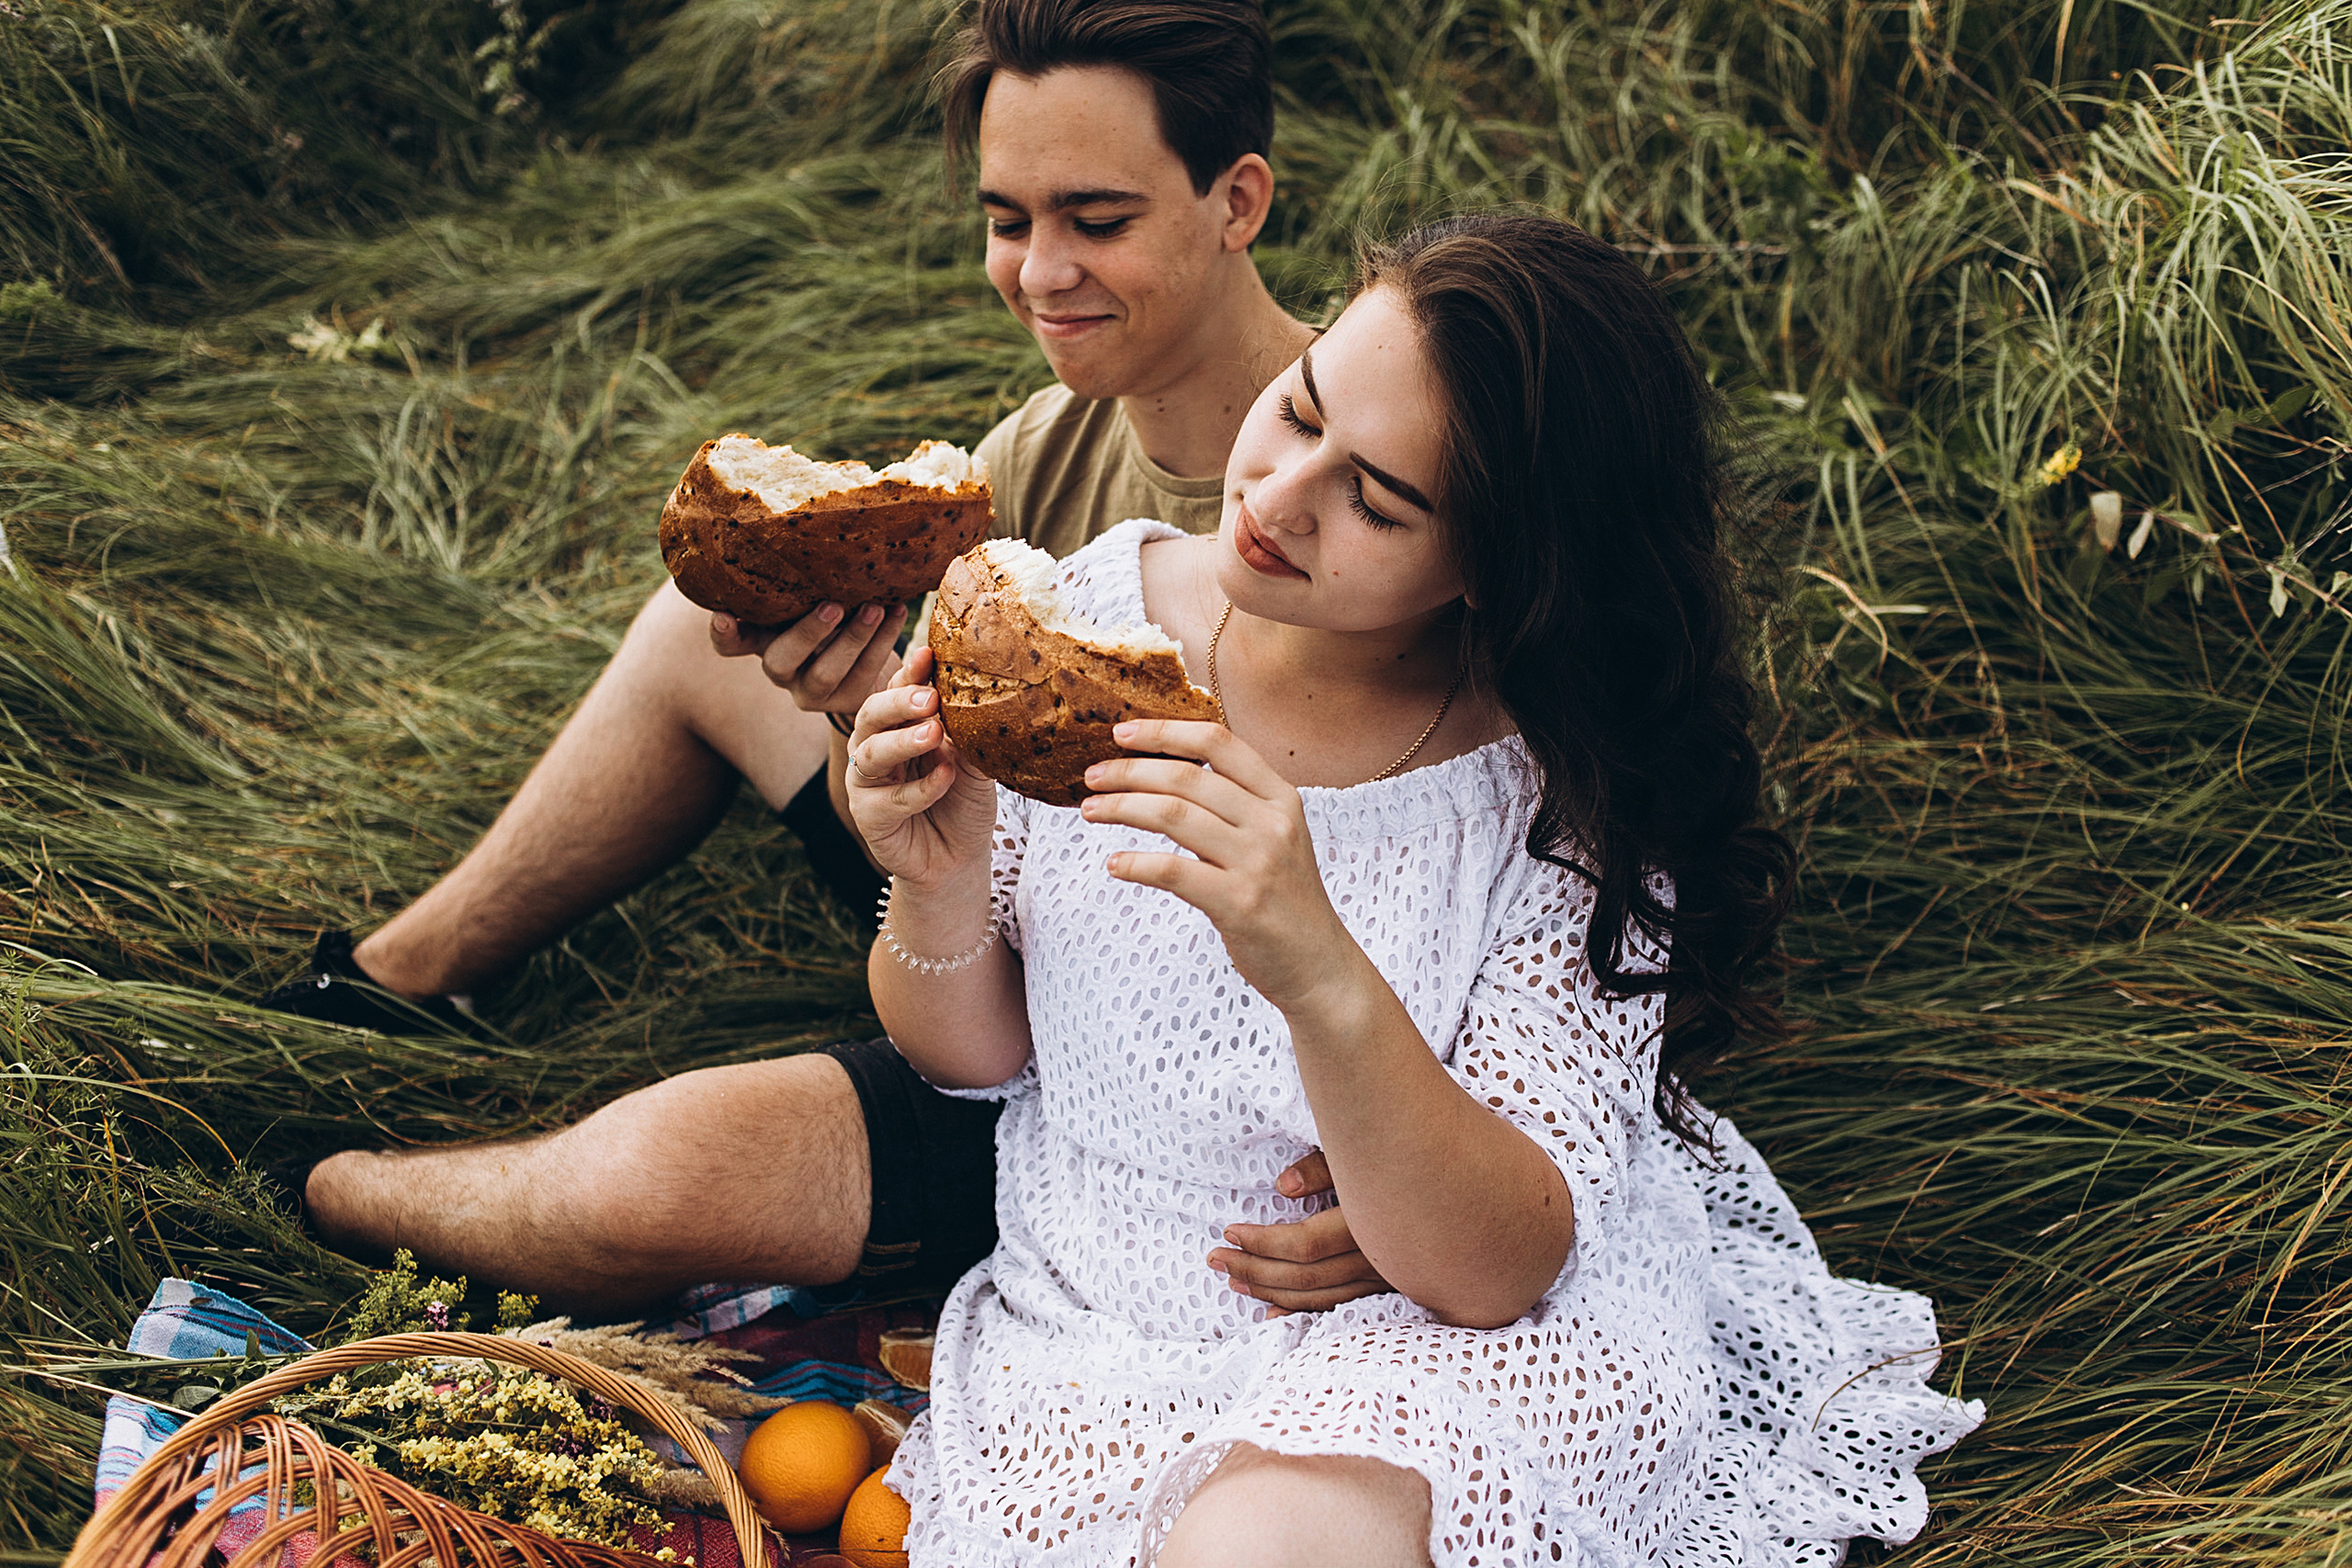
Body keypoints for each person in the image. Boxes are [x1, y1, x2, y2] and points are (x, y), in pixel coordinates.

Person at [843, 211, 1983, 1567]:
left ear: (1498, 578)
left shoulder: (1556, 797)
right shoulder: (1088, 629)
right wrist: (940, 875)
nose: (1276, 497)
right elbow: (974, 1055)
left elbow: (1498, 1265)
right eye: (1303, 407)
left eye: (1376, 500)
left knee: (1255, 1549)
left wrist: (1314, 960)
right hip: (1113, 1310)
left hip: (1451, 1338)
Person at [297, 0, 1392, 1320]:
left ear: (1239, 201)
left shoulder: (1369, 481)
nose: (1040, 273)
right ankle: (380, 987)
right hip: (994, 935)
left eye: (1096, 221)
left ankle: (297, 1173)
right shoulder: (1040, 452)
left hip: (1173, 1083)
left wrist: (1403, 1140)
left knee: (648, 1179)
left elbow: (1529, 826)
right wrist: (863, 712)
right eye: (1007, 219)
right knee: (694, 641)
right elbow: (935, 799)